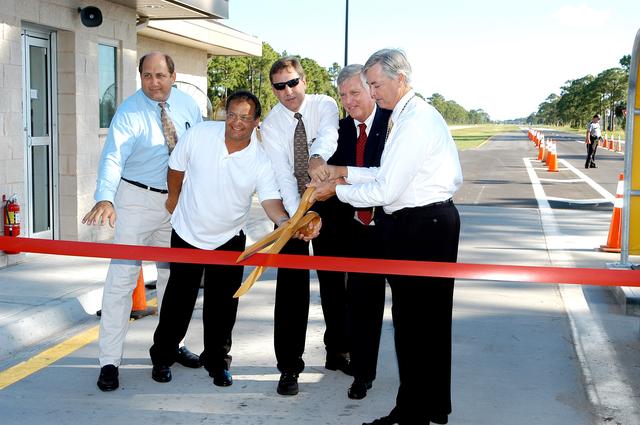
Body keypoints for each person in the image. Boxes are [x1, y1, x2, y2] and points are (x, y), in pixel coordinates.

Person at [310, 48, 463, 425]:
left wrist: (336, 190)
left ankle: (411, 413)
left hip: (422, 227)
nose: (373, 93)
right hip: (424, 225)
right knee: (425, 324)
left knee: (414, 326)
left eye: (376, 85)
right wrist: (343, 170)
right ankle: (430, 407)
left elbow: (385, 191)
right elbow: (381, 173)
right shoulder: (408, 115)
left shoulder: (415, 122)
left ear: (401, 79)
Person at [148, 91, 318, 387]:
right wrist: (173, 201)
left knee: (223, 306)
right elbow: (176, 167)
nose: (236, 123)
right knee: (178, 299)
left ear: (256, 123)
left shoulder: (260, 160)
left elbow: (269, 200)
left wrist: (284, 223)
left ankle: (217, 362)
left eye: (244, 117)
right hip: (187, 232)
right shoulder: (200, 134)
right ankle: (162, 356)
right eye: (231, 115)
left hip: (228, 238)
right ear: (224, 114)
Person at [82, 52, 203, 392]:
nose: (154, 82)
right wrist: (105, 197)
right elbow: (112, 157)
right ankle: (109, 362)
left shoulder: (189, 106)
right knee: (121, 282)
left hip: (177, 203)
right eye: (147, 75)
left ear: (173, 75)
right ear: (140, 77)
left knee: (176, 281)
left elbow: (201, 149)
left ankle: (170, 347)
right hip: (136, 199)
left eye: (160, 75)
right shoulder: (129, 111)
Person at [260, 56, 339, 396]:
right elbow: (281, 174)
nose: (288, 91)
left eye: (293, 82)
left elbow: (329, 136)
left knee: (336, 283)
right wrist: (298, 220)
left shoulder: (325, 105)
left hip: (331, 199)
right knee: (291, 293)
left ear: (304, 81)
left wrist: (317, 157)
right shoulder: (272, 124)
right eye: (280, 86)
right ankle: (289, 367)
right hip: (294, 208)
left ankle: (339, 351)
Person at [312, 64, 392, 400]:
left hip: (378, 226)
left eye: (354, 93)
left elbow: (380, 177)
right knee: (332, 290)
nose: (348, 101)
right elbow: (321, 169)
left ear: (371, 90)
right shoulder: (340, 129)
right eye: (342, 95)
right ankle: (338, 350)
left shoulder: (392, 125)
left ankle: (363, 371)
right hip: (338, 223)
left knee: (367, 299)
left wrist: (340, 180)